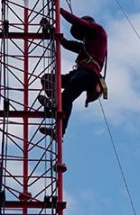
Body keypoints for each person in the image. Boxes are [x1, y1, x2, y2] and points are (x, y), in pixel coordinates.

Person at [39, 8, 108, 138]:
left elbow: (77, 22)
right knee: (48, 79)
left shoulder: (98, 31)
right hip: (80, 73)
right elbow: (66, 43)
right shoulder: (87, 45)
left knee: (67, 97)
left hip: (89, 73)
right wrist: (50, 29)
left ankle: (60, 131)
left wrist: (60, 11)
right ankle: (54, 102)